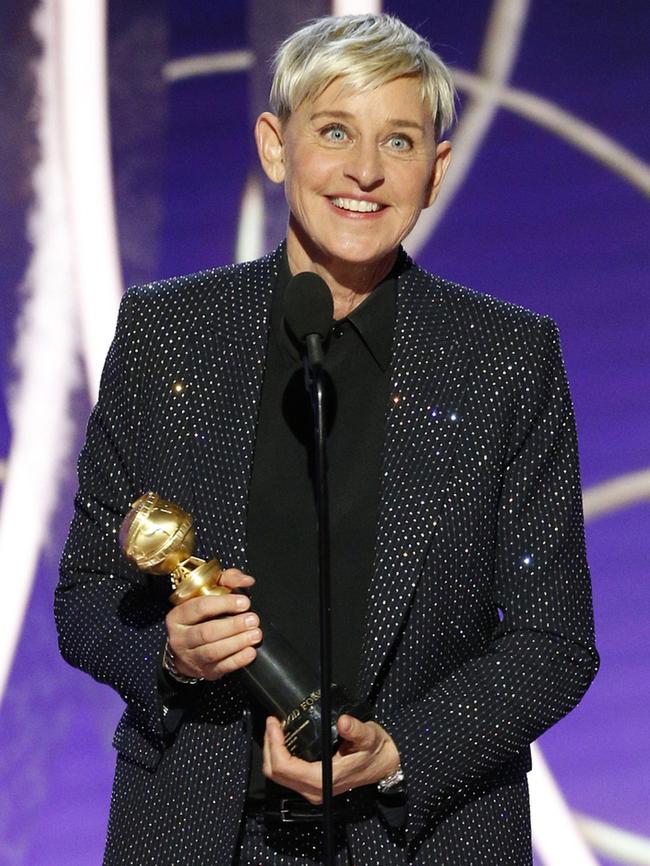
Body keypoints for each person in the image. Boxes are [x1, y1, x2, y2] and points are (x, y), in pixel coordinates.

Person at [55, 13, 598, 866]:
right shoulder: (169, 333)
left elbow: (553, 643)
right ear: (275, 147)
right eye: (335, 131)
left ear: (437, 171)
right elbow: (85, 600)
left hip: (428, 834)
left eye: (401, 142)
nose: (366, 172)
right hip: (202, 836)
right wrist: (174, 656)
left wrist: (402, 752)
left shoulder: (506, 359)